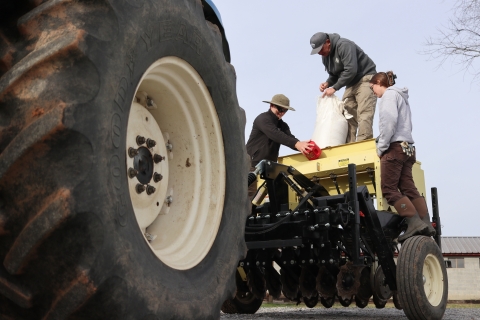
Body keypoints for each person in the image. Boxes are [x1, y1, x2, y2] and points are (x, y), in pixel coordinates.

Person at [370, 71, 435, 242]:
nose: (373, 93)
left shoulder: (389, 97)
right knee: (408, 187)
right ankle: (425, 222)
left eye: (373, 88)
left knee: (389, 190)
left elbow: (388, 123)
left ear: (378, 82)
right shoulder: (401, 97)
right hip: (408, 148)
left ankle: (413, 222)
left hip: (394, 147)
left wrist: (381, 148)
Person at [310, 32, 377, 143]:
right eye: (317, 51)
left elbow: (351, 70)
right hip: (350, 83)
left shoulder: (344, 45)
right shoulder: (325, 57)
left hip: (365, 78)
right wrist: (328, 83)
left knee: (364, 113)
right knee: (346, 115)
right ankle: (349, 145)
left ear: (327, 42)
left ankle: (363, 143)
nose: (319, 53)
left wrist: (335, 88)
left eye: (320, 49)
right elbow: (334, 75)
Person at [246, 94, 312, 199]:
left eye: (285, 111)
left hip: (268, 169)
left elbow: (289, 138)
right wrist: (297, 144)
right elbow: (275, 134)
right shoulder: (263, 119)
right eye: (280, 109)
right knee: (249, 199)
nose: (282, 113)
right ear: (271, 105)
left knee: (272, 199)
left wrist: (303, 146)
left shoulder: (283, 126)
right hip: (252, 166)